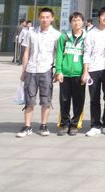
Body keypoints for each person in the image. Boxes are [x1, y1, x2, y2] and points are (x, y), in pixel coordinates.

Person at [17, 8, 61, 138]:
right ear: (38, 18)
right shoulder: (31, 33)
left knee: (46, 99)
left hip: (46, 70)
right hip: (31, 69)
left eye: (47, 17)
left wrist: (58, 71)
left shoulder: (57, 35)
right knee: (29, 99)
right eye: (42, 17)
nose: (44, 19)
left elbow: (59, 55)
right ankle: (27, 126)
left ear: (52, 18)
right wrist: (23, 70)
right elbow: (26, 52)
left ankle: (43, 125)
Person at [82, 6, 105, 137]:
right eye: (103, 15)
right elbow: (86, 52)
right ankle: (95, 125)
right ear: (99, 17)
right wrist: (85, 71)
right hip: (93, 70)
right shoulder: (91, 33)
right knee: (94, 98)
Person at [55, 12, 87, 136]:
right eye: (74, 20)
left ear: (83, 22)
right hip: (65, 74)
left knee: (79, 101)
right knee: (64, 100)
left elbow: (88, 56)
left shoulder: (87, 37)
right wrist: (59, 71)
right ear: (70, 22)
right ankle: (64, 124)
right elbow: (59, 54)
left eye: (79, 20)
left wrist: (85, 72)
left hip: (79, 74)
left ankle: (75, 124)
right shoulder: (64, 37)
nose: (76, 22)